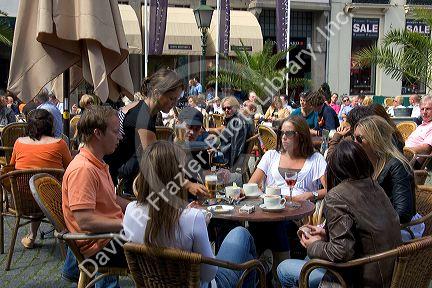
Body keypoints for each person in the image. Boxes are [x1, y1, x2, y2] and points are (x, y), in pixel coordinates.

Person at [123, 141, 272, 288]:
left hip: (151, 284)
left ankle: (258, 270)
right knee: (242, 235)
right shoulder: (192, 217)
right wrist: (200, 225)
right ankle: (261, 270)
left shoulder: (130, 211)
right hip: (206, 284)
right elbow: (209, 274)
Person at [277, 140, 401, 288]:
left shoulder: (337, 196)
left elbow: (341, 252)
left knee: (283, 268)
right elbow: (365, 233)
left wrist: (313, 244)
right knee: (307, 258)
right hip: (388, 273)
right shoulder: (376, 187)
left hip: (358, 279)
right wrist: (326, 233)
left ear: (334, 168)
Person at [104, 68, 207, 197]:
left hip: (120, 176)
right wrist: (188, 185)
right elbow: (154, 162)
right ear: (157, 93)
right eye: (171, 98)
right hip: (120, 182)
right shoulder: (143, 117)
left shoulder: (144, 109)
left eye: (177, 99)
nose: (174, 103)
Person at [61, 106, 130, 286]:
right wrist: (129, 224)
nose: (120, 136)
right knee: (164, 247)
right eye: (115, 131)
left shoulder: (97, 162)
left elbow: (110, 199)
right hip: (101, 248)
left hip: (110, 238)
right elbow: (86, 221)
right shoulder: (84, 169)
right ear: (98, 133)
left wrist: (138, 208)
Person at [11, 109, 72, 249]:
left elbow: (12, 167)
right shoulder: (59, 144)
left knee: (34, 188)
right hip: (53, 201)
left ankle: (32, 235)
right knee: (45, 187)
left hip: (23, 200)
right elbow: (70, 168)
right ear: (50, 125)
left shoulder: (19, 142)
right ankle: (65, 229)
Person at [354, 116, 416, 226]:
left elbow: (403, 214)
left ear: (375, 139)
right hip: (377, 225)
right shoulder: (366, 164)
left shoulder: (396, 166)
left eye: (359, 139)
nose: (354, 143)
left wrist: (367, 223)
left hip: (399, 229)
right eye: (353, 138)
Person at [249, 116, 326, 202]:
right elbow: (251, 185)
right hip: (272, 209)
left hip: (302, 211)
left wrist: (312, 195)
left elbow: (330, 189)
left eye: (289, 133)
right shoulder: (271, 156)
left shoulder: (316, 159)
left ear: (301, 136)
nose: (283, 137)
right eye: (281, 133)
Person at [218, 96, 253, 169]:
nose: (226, 110)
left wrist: (232, 168)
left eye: (229, 108)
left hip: (230, 158)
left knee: (202, 155)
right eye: (224, 109)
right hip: (232, 154)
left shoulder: (238, 122)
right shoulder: (238, 118)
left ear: (236, 107)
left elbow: (236, 147)